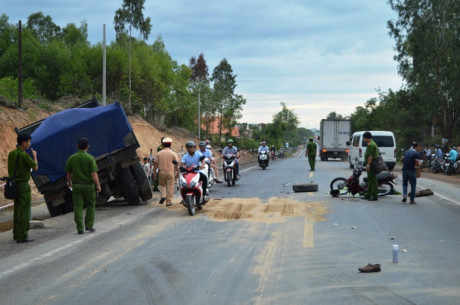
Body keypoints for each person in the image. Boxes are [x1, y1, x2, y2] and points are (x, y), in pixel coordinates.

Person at [65, 138, 101, 235]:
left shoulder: (71, 158)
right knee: (90, 205)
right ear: (88, 147)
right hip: (88, 186)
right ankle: (89, 226)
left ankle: (80, 228)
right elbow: (94, 174)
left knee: (78, 207)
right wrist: (98, 185)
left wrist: (69, 183)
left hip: (76, 186)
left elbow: (68, 174)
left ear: (77, 146)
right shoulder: (90, 158)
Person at [8, 133, 38, 243]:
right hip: (23, 185)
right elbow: (35, 167)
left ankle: (16, 233)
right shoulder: (25, 156)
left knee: (17, 210)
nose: (29, 144)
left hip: (14, 184)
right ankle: (22, 235)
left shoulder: (11, 154)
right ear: (24, 143)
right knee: (24, 211)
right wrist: (34, 156)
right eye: (29, 142)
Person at [153, 137, 179, 206]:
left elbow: (155, 163)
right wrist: (177, 171)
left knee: (161, 185)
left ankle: (163, 196)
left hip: (161, 172)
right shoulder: (173, 153)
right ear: (170, 145)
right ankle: (168, 202)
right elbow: (176, 164)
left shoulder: (159, 153)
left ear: (163, 145)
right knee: (170, 186)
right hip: (170, 172)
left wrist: (154, 172)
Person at [363, 132, 379, 201]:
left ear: (366, 138)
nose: (364, 140)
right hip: (370, 163)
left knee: (373, 180)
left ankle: (374, 195)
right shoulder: (372, 143)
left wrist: (368, 165)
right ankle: (368, 194)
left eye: (364, 138)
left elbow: (370, 156)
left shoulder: (371, 145)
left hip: (371, 164)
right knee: (369, 180)